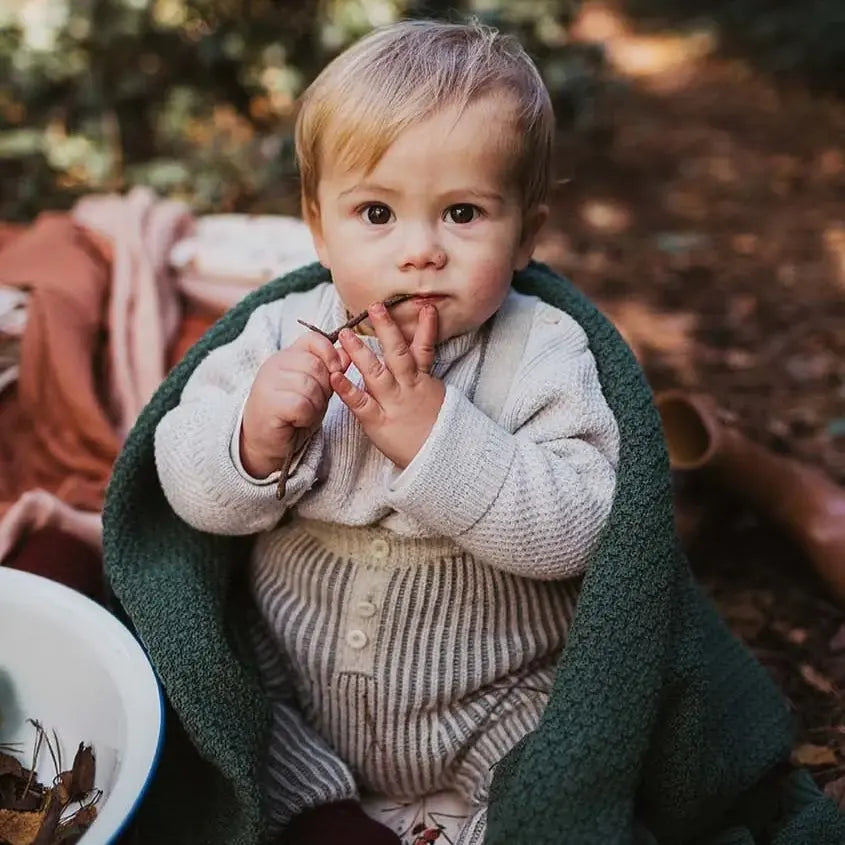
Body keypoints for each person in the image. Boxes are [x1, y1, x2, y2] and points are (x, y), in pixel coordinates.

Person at [154, 18, 620, 845]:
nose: (419, 251)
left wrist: (439, 436)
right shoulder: (279, 334)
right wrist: (253, 440)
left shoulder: (541, 349)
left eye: (463, 213)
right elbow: (186, 485)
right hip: (304, 680)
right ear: (317, 224)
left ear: (527, 233)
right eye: (377, 211)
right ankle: (323, 814)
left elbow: (580, 527)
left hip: (492, 695)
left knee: (555, 765)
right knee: (229, 698)